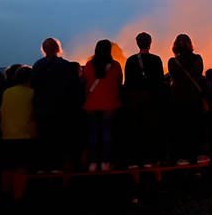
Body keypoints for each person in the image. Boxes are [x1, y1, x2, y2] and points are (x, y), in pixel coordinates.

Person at [31, 37, 84, 172]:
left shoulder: (37, 66)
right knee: (59, 138)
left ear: (43, 50)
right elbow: (75, 87)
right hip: (62, 108)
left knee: (45, 137)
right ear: (58, 49)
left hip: (43, 108)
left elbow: (33, 87)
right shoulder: (66, 66)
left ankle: (44, 165)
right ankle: (57, 166)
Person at [122, 32, 164, 168]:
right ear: (150, 43)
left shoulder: (130, 61)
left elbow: (126, 83)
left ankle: (134, 160)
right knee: (151, 131)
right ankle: (150, 160)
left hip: (135, 101)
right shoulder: (157, 60)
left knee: (135, 130)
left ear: (137, 43)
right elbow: (160, 83)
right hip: (152, 101)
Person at [82, 40, 122, 172]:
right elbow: (119, 82)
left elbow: (85, 83)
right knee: (107, 133)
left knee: (93, 133)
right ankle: (106, 162)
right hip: (110, 104)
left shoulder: (88, 65)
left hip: (92, 104)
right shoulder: (115, 66)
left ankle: (93, 163)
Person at [167, 34, 207, 165]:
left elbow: (174, 78)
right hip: (194, 98)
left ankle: (182, 157)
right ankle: (198, 155)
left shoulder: (172, 62)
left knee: (181, 127)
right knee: (196, 126)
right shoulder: (197, 59)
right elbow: (199, 75)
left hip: (178, 99)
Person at [0, 65, 38, 171]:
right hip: (25, 136)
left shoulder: (7, 92)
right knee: (22, 169)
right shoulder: (32, 93)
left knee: (8, 168)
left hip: (7, 135)